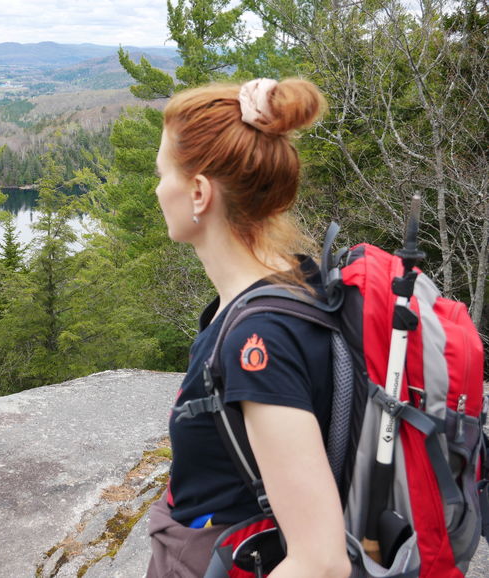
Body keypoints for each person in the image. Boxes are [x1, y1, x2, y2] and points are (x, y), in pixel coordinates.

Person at [146, 78, 351, 578]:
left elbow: (321, 563)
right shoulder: (297, 280)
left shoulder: (258, 339)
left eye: (161, 173)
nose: (156, 189)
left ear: (198, 192)